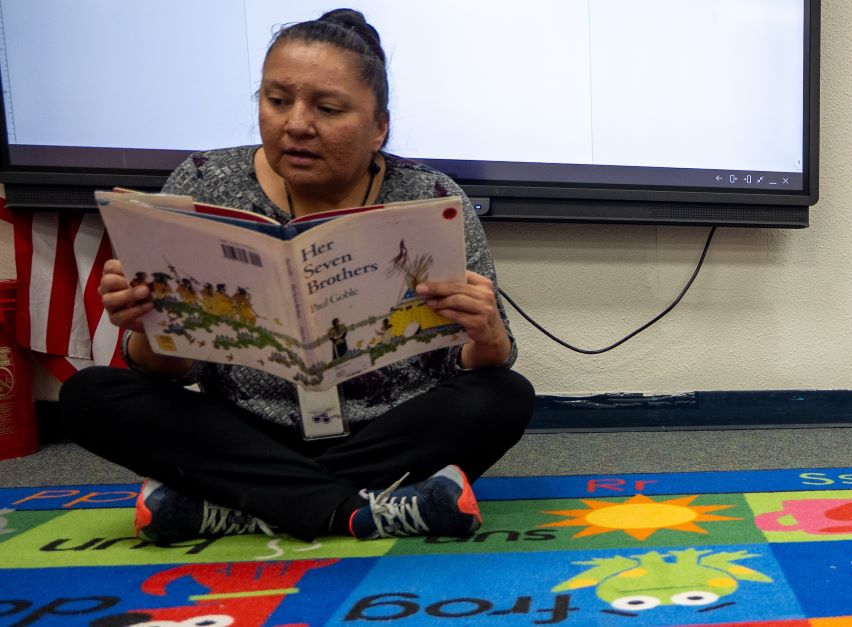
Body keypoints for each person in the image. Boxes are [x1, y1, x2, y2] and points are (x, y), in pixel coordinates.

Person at [62, 8, 535, 543]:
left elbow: (479, 363)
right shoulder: (201, 184)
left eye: (328, 108)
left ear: (379, 126)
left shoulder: (430, 199)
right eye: (277, 100)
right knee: (90, 394)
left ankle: (237, 505)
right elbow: (166, 372)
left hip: (383, 428)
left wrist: (488, 335)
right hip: (245, 430)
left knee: (504, 395)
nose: (296, 125)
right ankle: (359, 511)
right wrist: (149, 324)